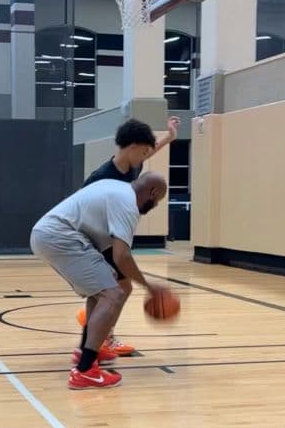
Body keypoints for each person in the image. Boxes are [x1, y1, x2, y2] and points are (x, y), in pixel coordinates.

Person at [31, 172, 171, 390]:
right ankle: (85, 371)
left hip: (53, 234)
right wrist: (150, 287)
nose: (156, 205)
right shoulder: (128, 205)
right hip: (60, 237)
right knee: (111, 294)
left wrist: (126, 280)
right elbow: (121, 256)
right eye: (158, 200)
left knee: (113, 287)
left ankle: (86, 352)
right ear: (152, 192)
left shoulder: (115, 188)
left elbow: (112, 254)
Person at [78, 115, 179, 356]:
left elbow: (149, 153)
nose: (146, 156)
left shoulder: (133, 165)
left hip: (110, 239)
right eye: (144, 151)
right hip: (96, 239)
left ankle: (99, 336)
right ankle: (97, 339)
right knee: (115, 289)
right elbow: (81, 208)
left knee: (118, 289)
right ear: (132, 147)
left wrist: (169, 137)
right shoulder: (101, 176)